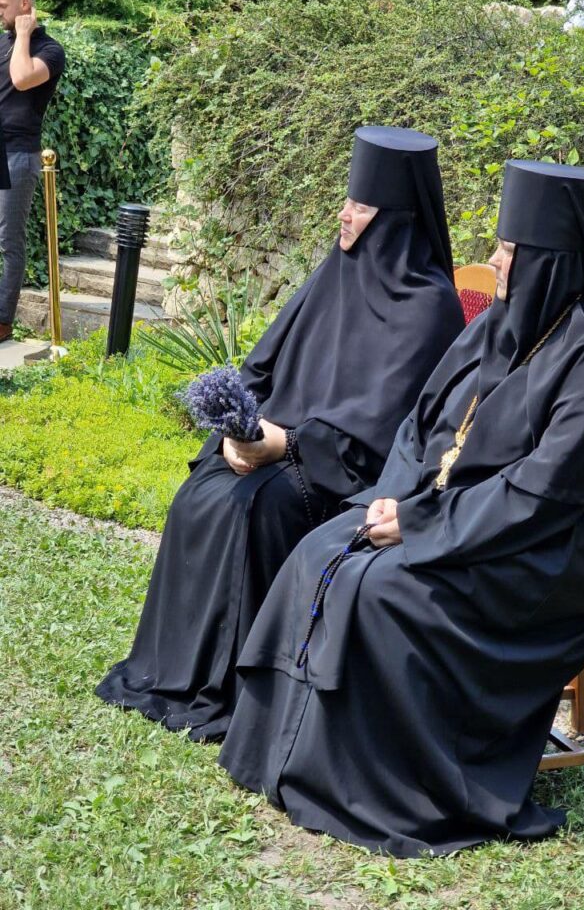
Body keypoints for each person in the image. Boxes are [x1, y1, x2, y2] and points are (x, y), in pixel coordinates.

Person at [218, 159, 584, 857]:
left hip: (557, 551)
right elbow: (420, 422)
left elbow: (545, 488)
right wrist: (394, 494)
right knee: (321, 551)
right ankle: (289, 757)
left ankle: (389, 785)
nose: (495, 261)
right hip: (466, 514)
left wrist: (423, 524)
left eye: (508, 250)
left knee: (386, 591)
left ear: (551, 258)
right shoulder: (504, 322)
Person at [96, 125, 466, 742]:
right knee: (201, 492)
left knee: (258, 506)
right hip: (273, 443)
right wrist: (236, 430)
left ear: (397, 223)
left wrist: (289, 445)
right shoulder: (334, 274)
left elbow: (390, 430)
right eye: (347, 200)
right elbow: (262, 367)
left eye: (361, 207)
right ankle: (170, 673)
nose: (344, 215)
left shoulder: (430, 307)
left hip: (344, 472)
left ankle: (234, 688)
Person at [0, 0, 65, 344]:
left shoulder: (51, 51)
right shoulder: (1, 42)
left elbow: (22, 78)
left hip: (18, 154)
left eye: (3, 6)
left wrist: (23, 35)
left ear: (24, 5)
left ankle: (2, 320)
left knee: (9, 241)